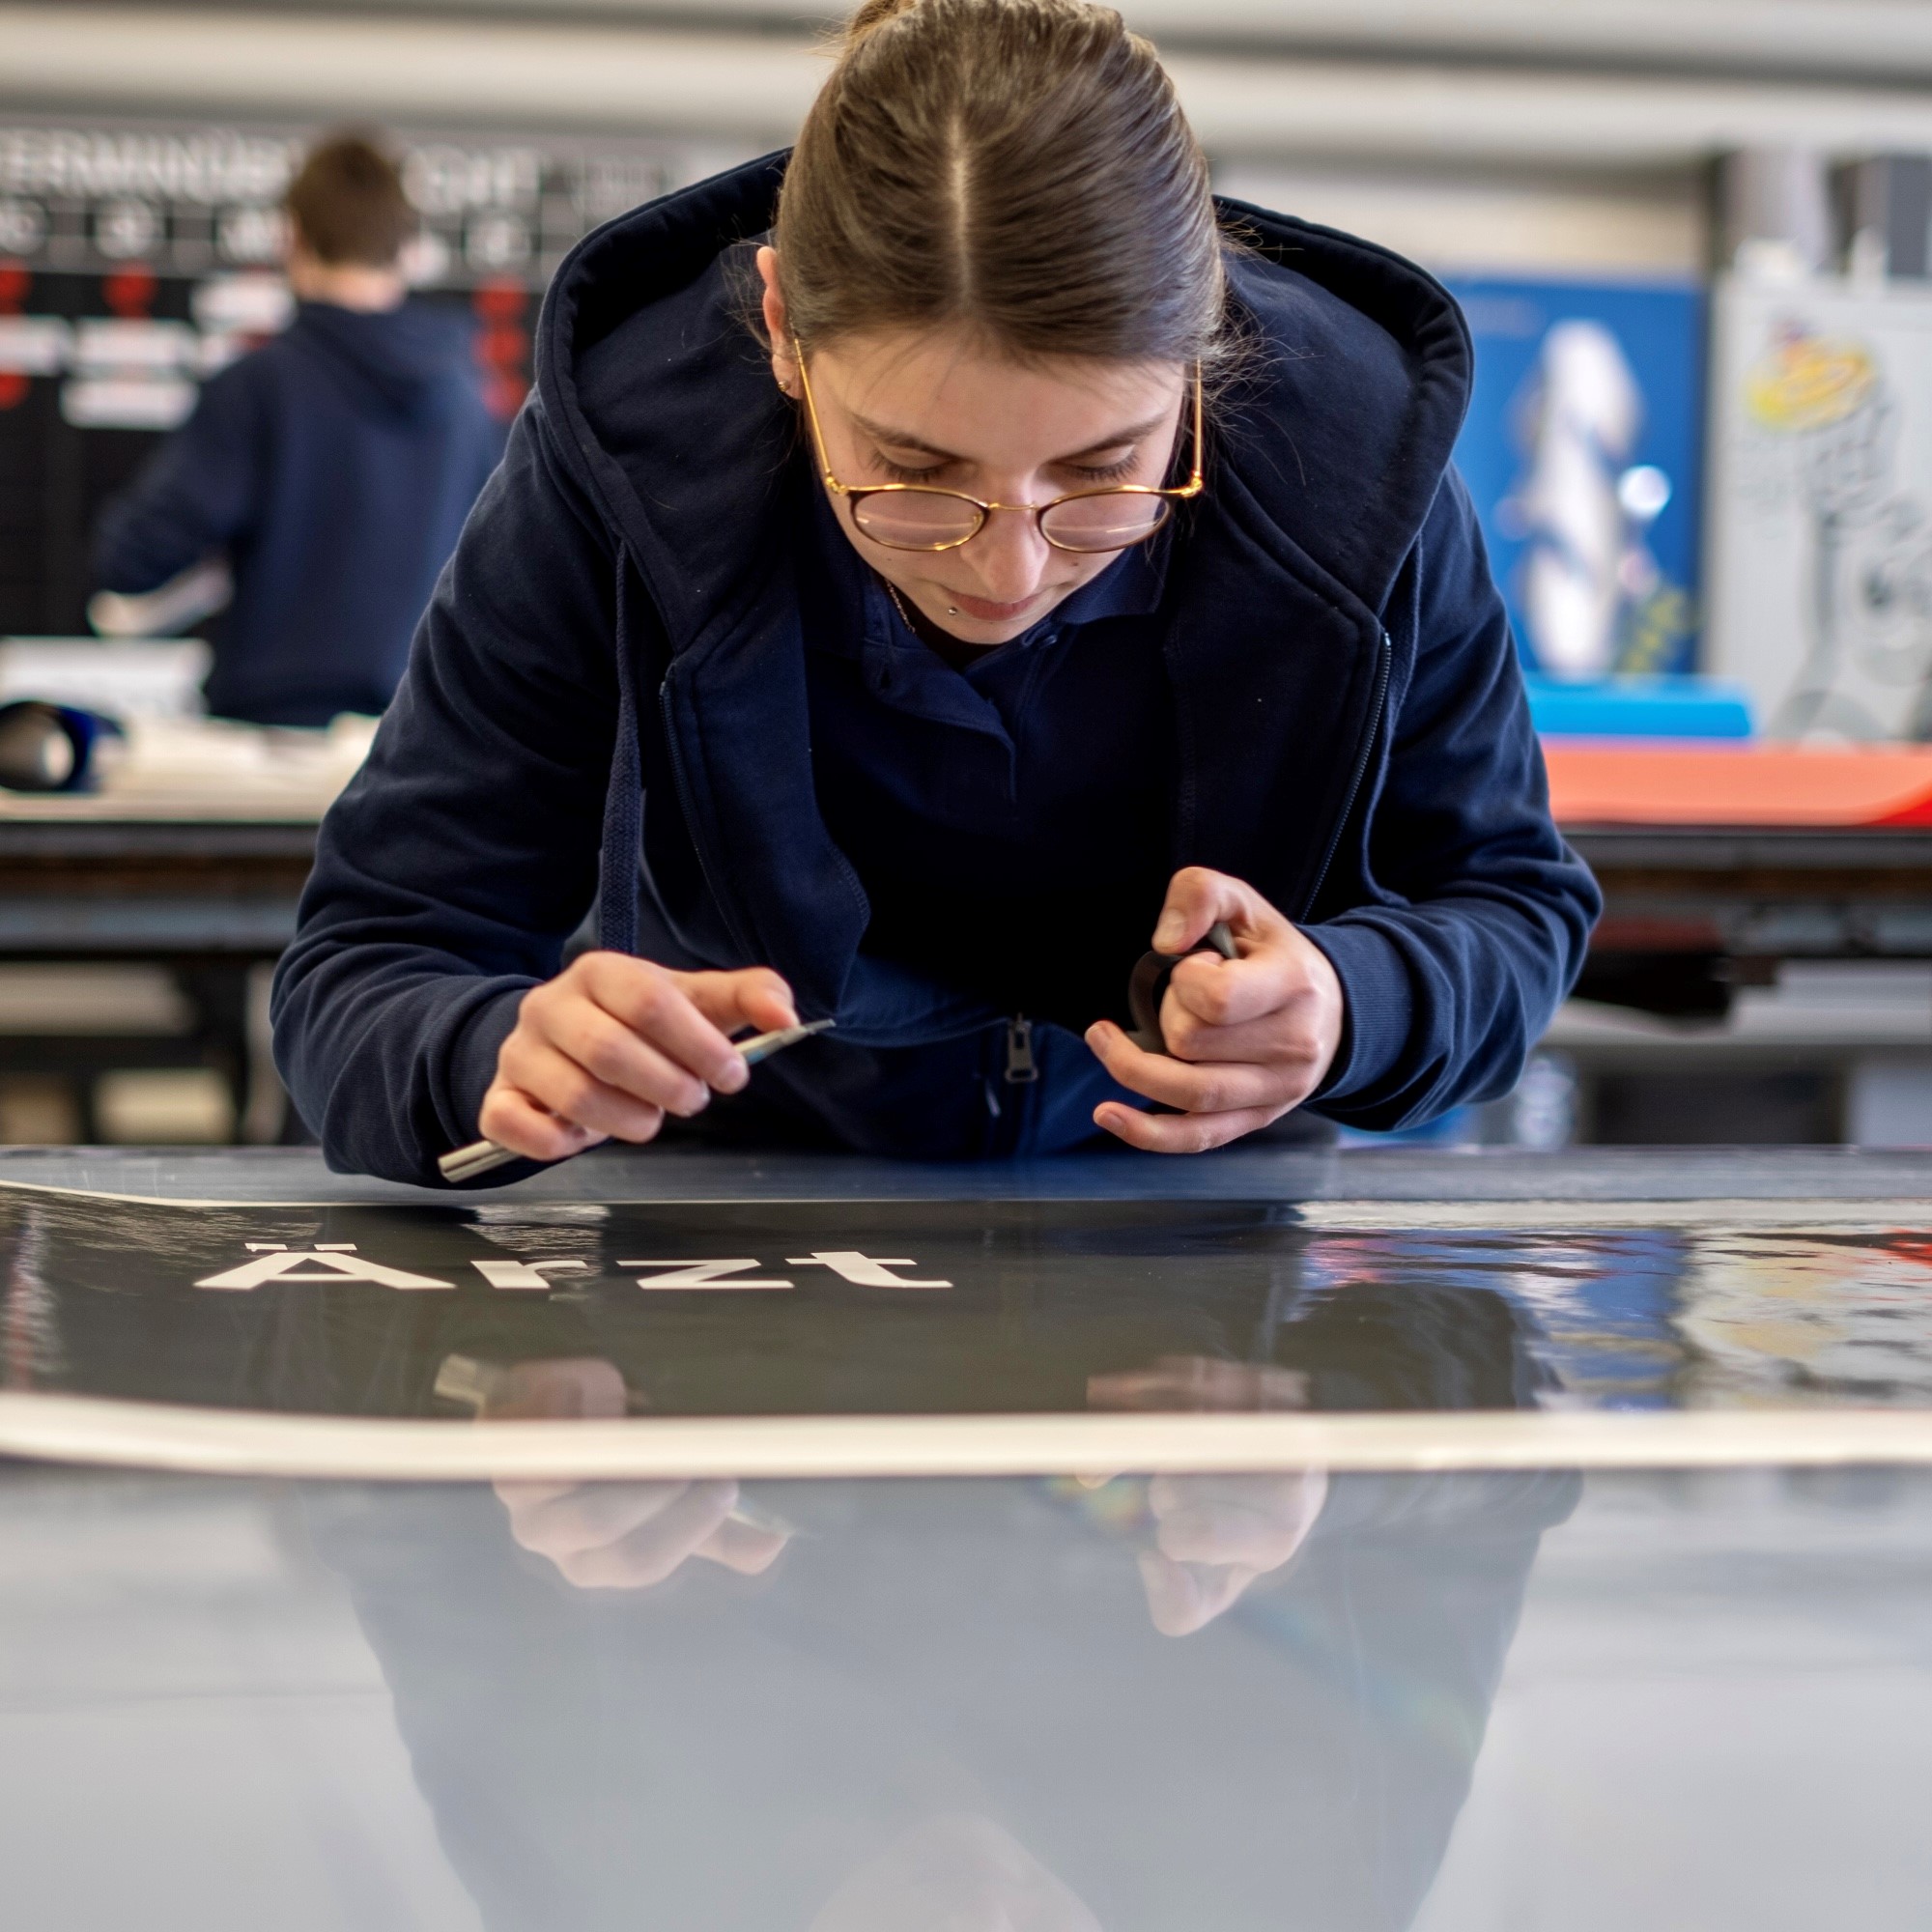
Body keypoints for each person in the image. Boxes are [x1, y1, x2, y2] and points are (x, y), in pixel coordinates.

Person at [272, 0, 1599, 1182]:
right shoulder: (620, 461)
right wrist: (489, 1054)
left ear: (1205, 357)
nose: (1006, 567)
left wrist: (1353, 1003)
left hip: (1198, 1236)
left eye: (1106, 471)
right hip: (749, 1225)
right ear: (784, 329)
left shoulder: (1361, 463)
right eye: (910, 470)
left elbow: (1512, 904)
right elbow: (366, 961)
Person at [91, 132, 503, 725]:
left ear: (293, 238)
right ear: (407, 248)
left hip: (267, 741)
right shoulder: (470, 399)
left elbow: (131, 560)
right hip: (418, 744)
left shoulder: (260, 387)